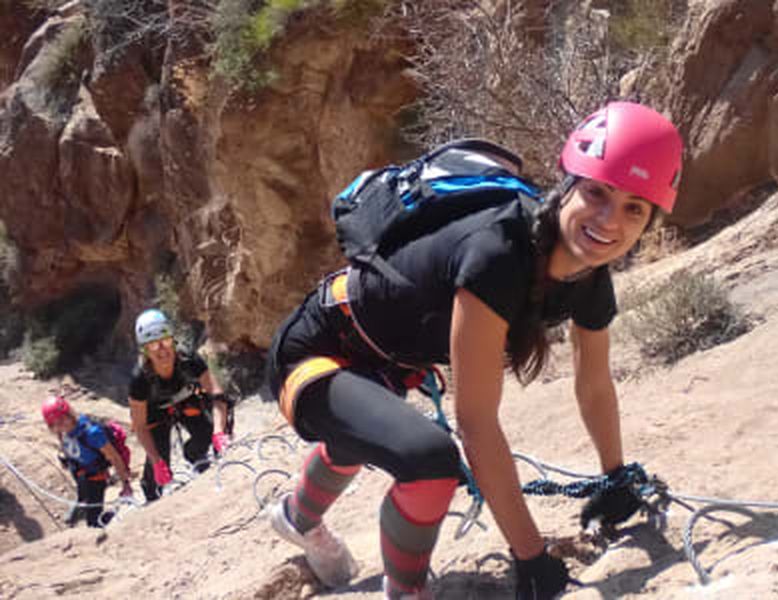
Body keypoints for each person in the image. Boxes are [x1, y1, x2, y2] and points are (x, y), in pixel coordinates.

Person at [264, 101, 683, 599]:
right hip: (317, 347)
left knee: (370, 432)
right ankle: (406, 593)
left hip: (391, 363)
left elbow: (593, 384)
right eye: (597, 192)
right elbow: (477, 424)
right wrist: (530, 557)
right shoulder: (499, 252)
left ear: (648, 223)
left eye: (634, 208)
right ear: (568, 182)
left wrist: (614, 476)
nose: (609, 220)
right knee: (430, 462)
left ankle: (295, 519)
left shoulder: (589, 278)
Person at [128, 309, 231, 501]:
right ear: (145, 350)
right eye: (153, 344)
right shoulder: (139, 380)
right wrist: (156, 461)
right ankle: (151, 492)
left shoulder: (189, 360)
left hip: (185, 401)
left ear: (172, 340)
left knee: (206, 433)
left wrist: (219, 431)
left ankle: (194, 454)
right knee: (160, 460)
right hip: (155, 414)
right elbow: (140, 427)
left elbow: (217, 395)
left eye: (165, 341)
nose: (161, 349)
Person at [42, 395, 133, 528]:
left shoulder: (92, 433)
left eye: (61, 420)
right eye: (53, 424)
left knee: (93, 521)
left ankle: (112, 513)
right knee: (84, 497)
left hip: (96, 476)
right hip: (81, 472)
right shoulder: (62, 433)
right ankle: (82, 503)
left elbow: (114, 457)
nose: (60, 426)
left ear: (68, 414)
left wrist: (125, 484)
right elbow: (68, 445)